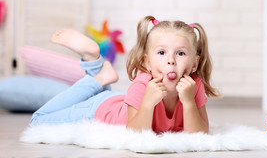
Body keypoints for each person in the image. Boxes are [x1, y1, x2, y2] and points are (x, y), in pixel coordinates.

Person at [30, 15, 219, 134]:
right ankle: (97, 78)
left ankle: (95, 64)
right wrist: (147, 102)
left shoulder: (193, 86)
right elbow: (135, 133)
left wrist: (188, 102)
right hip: (97, 110)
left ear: (194, 63)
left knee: (104, 95)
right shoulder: (142, 84)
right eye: (161, 53)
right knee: (38, 119)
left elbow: (199, 134)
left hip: (119, 102)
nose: (171, 60)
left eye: (181, 53)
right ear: (147, 63)